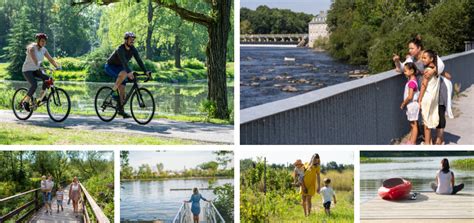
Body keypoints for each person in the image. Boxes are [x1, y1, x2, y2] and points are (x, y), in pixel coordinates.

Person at [104, 31, 151, 118]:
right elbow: (124, 63)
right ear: (126, 40)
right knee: (125, 73)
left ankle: (121, 110)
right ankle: (113, 93)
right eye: (130, 39)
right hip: (110, 66)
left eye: (133, 39)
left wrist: (145, 71)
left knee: (122, 90)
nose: (132, 41)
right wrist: (129, 72)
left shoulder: (133, 49)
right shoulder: (120, 49)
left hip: (121, 68)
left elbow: (139, 60)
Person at [21, 33, 61, 112]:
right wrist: (39, 65)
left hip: (36, 69)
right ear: (38, 41)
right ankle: (25, 102)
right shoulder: (32, 48)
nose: (43, 43)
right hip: (27, 70)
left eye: (45, 41)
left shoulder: (44, 50)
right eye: (42, 41)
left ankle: (42, 97)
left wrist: (57, 66)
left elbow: (50, 59)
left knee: (48, 78)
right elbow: (34, 59)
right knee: (34, 84)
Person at [418, 50, 440, 145]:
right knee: (429, 119)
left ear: (431, 59)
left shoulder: (427, 70)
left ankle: (427, 143)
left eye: (425, 57)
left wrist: (419, 99)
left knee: (426, 121)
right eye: (422, 57)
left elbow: (423, 85)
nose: (422, 59)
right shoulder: (437, 69)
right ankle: (429, 141)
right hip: (434, 98)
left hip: (427, 97)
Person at [400, 62, 420, 145]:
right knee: (412, 124)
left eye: (405, 71)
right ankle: (411, 140)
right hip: (413, 105)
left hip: (412, 105)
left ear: (411, 71)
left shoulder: (411, 82)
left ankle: (413, 142)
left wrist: (403, 103)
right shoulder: (414, 80)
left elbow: (410, 96)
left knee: (414, 125)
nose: (404, 72)